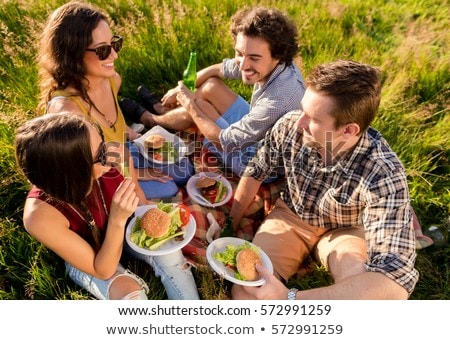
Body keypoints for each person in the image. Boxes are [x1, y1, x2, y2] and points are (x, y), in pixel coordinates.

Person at [229, 60, 419, 299]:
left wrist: (290, 299)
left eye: (312, 118)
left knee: (362, 283)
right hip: (291, 216)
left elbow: (393, 285)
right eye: (303, 110)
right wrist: (231, 223)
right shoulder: (290, 126)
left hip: (345, 230)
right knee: (246, 290)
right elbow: (256, 170)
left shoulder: (383, 173)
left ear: (349, 130)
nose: (299, 123)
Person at [15, 113, 200, 300]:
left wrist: (144, 209)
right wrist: (117, 220)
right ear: (74, 173)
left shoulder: (112, 154)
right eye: (100, 154)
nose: (111, 152)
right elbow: (102, 270)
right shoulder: (39, 217)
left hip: (123, 228)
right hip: (90, 254)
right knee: (130, 293)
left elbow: (136, 192)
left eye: (103, 142)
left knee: (170, 254)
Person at [121, 6, 305, 177]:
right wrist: (179, 89)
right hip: (261, 133)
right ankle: (163, 111)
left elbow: (226, 142)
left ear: (277, 56)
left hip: (255, 164)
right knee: (210, 86)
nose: (243, 64)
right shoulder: (278, 64)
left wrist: (191, 105)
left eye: (254, 58)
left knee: (201, 107)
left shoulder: (277, 101)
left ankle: (150, 119)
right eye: (240, 53)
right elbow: (220, 69)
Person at [36, 0, 178, 200]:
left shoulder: (111, 79)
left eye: (114, 44)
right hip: (101, 177)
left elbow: (117, 132)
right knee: (169, 187)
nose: (114, 55)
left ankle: (142, 118)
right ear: (74, 54)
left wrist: (138, 138)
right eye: (102, 50)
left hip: (122, 156)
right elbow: (86, 176)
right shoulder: (68, 112)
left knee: (185, 169)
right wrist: (136, 177)